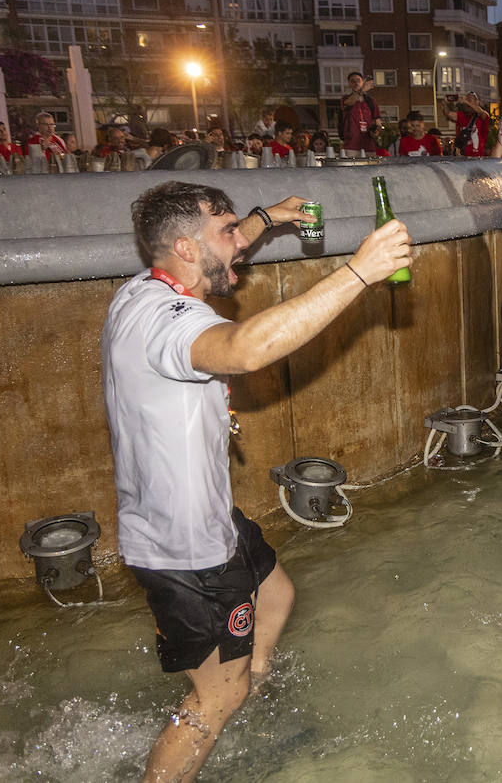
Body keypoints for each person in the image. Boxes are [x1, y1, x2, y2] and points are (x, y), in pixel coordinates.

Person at [103, 181, 411, 782]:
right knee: (212, 697)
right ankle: (220, 710)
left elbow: (229, 241)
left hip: (204, 517)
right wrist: (358, 273)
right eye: (226, 233)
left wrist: (267, 218)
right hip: (183, 547)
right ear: (188, 249)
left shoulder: (141, 289)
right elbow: (245, 349)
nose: (239, 244)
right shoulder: (173, 320)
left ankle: (244, 697)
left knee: (276, 596)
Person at [340, 72, 380, 154]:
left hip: (369, 144)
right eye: (352, 81)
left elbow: (377, 120)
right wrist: (362, 90)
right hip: (351, 145)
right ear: (349, 84)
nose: (356, 83)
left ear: (362, 82)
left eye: (358, 80)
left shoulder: (371, 101)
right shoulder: (345, 99)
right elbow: (349, 102)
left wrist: (376, 131)